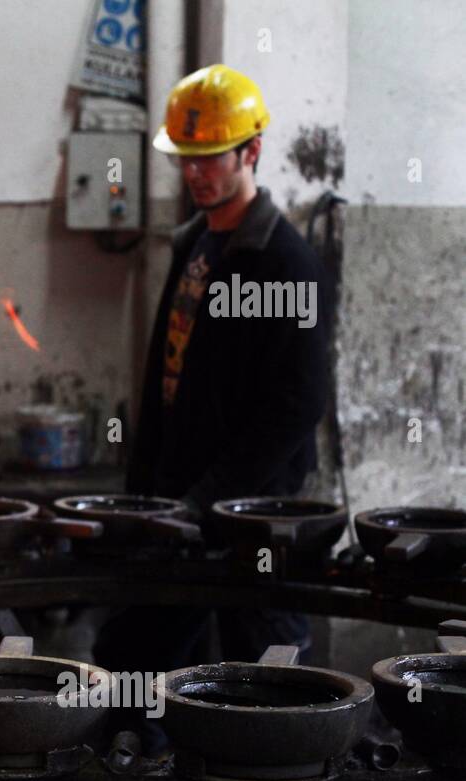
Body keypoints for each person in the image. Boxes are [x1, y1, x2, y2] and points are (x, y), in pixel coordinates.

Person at [94, 65, 333, 743]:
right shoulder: (195, 245)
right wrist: (146, 496)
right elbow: (163, 381)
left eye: (211, 159)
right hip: (180, 507)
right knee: (133, 659)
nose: (196, 174)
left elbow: (296, 403)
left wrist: (212, 499)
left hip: (252, 515)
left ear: (251, 151)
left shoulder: (285, 263)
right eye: (188, 160)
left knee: (269, 677)